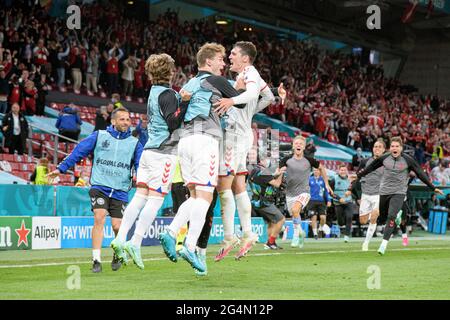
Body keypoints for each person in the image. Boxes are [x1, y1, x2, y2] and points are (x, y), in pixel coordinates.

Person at [158, 42, 247, 273]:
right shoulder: (215, 80)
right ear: (208, 62)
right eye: (221, 59)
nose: (224, 63)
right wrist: (239, 88)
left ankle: (174, 234)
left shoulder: (189, 83)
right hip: (205, 140)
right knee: (205, 199)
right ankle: (186, 243)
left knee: (197, 196)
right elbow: (244, 101)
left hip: (185, 142)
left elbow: (176, 117)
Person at [110, 53, 190, 270]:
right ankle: (135, 242)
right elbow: (173, 123)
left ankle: (120, 239)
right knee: (155, 200)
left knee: (140, 196)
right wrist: (185, 103)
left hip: (148, 150)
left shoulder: (153, 92)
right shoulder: (168, 94)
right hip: (164, 152)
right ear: (170, 71)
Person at [48, 107, 143, 272]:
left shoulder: (135, 143)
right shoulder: (99, 136)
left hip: (120, 189)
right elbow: (79, 151)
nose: (126, 123)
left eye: (128, 119)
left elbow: (140, 164)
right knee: (99, 217)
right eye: (122, 119)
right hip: (100, 185)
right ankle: (96, 260)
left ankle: (117, 252)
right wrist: (61, 168)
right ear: (113, 121)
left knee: (116, 226)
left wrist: (141, 179)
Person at [213, 41, 278, 261]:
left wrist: (232, 100)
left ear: (245, 59)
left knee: (224, 186)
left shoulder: (250, 71)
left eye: (233, 53)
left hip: (234, 137)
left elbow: (251, 93)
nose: (230, 56)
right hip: (241, 135)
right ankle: (248, 233)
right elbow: (269, 97)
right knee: (238, 185)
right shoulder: (248, 76)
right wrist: (249, 113)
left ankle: (230, 236)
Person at [348, 136, 443, 255]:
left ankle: (383, 245)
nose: (394, 148)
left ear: (401, 148)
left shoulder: (408, 160)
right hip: (384, 192)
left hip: (399, 192)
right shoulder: (384, 158)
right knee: (380, 218)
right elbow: (370, 168)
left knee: (391, 216)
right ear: (390, 148)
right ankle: (395, 217)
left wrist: (433, 187)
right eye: (392, 146)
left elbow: (420, 173)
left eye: (397, 146)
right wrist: (358, 176)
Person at [279, 135, 332, 248]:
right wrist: (279, 172)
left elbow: (321, 168)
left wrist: (327, 184)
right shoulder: (286, 160)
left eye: (301, 144)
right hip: (290, 194)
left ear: (303, 147)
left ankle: (296, 236)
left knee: (295, 210)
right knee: (294, 214)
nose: (298, 145)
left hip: (304, 192)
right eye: (296, 143)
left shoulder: (309, 160)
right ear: (293, 146)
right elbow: (277, 172)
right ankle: (301, 233)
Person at [248, 155, 286, 250]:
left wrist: (275, 175)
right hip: (264, 202)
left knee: (271, 222)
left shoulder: (254, 170)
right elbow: (277, 184)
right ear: (262, 160)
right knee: (281, 220)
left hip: (255, 201)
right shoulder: (264, 171)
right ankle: (271, 242)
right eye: (267, 159)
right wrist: (281, 173)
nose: (269, 161)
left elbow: (266, 180)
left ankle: (269, 243)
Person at [357, 139, 385, 251]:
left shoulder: (387, 163)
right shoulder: (365, 161)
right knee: (363, 221)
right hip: (366, 193)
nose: (376, 149)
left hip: (379, 194)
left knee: (374, 216)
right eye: (375, 146)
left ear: (383, 150)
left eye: (379, 147)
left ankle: (366, 243)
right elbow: (358, 175)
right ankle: (380, 215)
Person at [331, 164, 357, 243]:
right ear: (339, 171)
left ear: (347, 171)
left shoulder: (350, 179)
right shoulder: (334, 179)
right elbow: (330, 192)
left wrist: (353, 195)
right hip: (338, 203)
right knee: (341, 222)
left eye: (344, 170)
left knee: (349, 217)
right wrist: (339, 199)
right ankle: (341, 225)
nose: (343, 171)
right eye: (341, 170)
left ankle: (346, 235)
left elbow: (354, 190)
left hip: (348, 201)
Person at [308, 167, 332, 239]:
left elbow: (327, 191)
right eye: (314, 170)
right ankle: (315, 234)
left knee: (323, 217)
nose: (316, 171)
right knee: (313, 217)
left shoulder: (323, 179)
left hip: (321, 201)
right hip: (312, 201)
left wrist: (329, 200)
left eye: (317, 170)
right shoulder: (309, 179)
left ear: (320, 171)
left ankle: (320, 229)